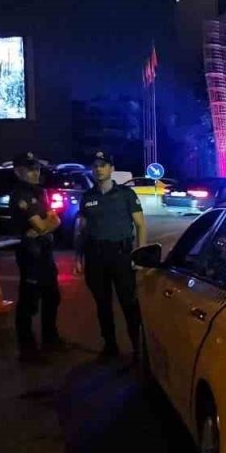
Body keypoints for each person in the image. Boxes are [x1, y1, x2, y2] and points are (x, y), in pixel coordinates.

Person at [74, 151, 146, 359]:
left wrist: (139, 255)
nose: (99, 169)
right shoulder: (88, 197)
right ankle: (110, 346)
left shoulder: (126, 194)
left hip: (121, 255)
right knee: (102, 304)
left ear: (112, 169)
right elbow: (82, 230)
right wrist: (78, 258)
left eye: (103, 165)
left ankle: (138, 347)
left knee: (129, 303)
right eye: (95, 165)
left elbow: (140, 225)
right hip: (95, 257)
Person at [9, 152, 62, 361]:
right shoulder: (21, 195)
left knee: (52, 296)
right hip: (30, 253)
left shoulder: (38, 193)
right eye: (30, 169)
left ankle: (50, 338)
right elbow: (43, 224)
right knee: (29, 301)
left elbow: (55, 222)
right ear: (18, 171)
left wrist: (45, 226)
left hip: (44, 251)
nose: (35, 173)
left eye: (37, 169)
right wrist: (46, 225)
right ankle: (27, 347)